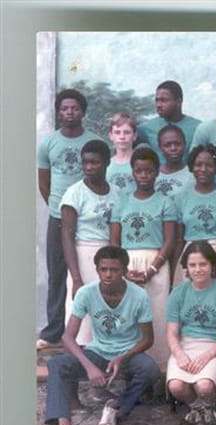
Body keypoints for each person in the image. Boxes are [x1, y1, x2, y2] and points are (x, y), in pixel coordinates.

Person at [44, 246, 159, 425]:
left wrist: (122, 358)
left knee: (150, 369)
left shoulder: (139, 296)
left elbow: (148, 339)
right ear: (97, 270)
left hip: (128, 354)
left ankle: (116, 406)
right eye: (103, 269)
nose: (108, 274)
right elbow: (67, 337)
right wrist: (90, 368)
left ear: (124, 271)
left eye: (114, 270)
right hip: (98, 352)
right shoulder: (86, 293)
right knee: (57, 364)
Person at [37, 89, 103, 349]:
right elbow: (44, 183)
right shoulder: (48, 144)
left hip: (89, 220)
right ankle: (54, 331)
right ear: (58, 112)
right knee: (57, 274)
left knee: (91, 272)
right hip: (59, 218)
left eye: (74, 108)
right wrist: (60, 209)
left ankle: (95, 330)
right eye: (64, 108)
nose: (69, 112)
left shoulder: (94, 141)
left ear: (83, 111)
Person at [110, 147, 177, 370]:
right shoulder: (122, 202)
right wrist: (123, 269)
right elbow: (114, 241)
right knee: (129, 313)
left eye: (149, 171)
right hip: (126, 262)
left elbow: (169, 240)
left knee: (157, 314)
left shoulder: (165, 202)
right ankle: (130, 367)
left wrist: (152, 269)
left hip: (156, 263)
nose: (144, 175)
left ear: (157, 172)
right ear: (133, 172)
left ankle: (160, 368)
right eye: (139, 171)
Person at [166, 241, 216, 425]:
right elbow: (171, 333)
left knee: (204, 386)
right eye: (192, 265)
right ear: (186, 268)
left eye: (203, 264)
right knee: (176, 386)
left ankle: (211, 405)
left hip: (215, 347)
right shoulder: (178, 293)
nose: (198, 270)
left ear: (213, 265)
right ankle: (198, 408)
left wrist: (206, 356)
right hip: (185, 346)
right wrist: (179, 353)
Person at [60, 139, 122, 346]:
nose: (88, 167)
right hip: (84, 254)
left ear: (107, 162)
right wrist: (76, 278)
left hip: (110, 253)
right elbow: (67, 236)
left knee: (107, 306)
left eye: (94, 162)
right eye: (85, 162)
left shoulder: (117, 192)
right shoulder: (74, 193)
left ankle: (107, 352)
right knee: (83, 309)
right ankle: (81, 353)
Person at [172, 144, 216, 294]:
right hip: (191, 257)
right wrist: (174, 273)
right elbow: (178, 240)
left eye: (209, 165)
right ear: (192, 166)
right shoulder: (181, 198)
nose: (203, 169)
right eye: (198, 164)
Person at [136, 80, 201, 165]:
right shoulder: (145, 128)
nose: (158, 105)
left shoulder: (198, 128)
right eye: (157, 100)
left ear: (178, 102)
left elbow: (215, 154)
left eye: (164, 100)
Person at [153, 124, 195, 201]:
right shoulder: (153, 175)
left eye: (177, 144)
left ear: (185, 144)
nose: (173, 148)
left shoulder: (193, 175)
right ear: (160, 147)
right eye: (167, 145)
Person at [105, 112, 138, 192]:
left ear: (134, 136)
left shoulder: (142, 163)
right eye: (117, 132)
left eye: (127, 132)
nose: (122, 137)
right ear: (111, 136)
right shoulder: (106, 165)